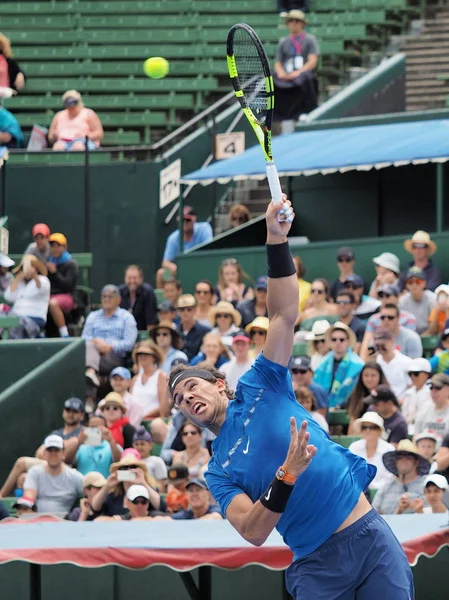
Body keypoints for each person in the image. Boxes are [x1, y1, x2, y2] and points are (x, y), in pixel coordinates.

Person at [168, 195, 414, 599]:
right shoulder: (218, 471)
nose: (186, 398)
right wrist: (286, 474)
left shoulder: (259, 382)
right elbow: (253, 530)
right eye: (178, 399)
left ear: (216, 383)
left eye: (191, 386)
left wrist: (276, 238)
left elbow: (282, 315)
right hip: (316, 565)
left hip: (370, 538)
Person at [0, 397, 85, 498]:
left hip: (68, 470)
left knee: (21, 462)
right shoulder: (56, 433)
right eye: (68, 410)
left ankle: (1, 496)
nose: (70, 414)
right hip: (48, 466)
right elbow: (39, 454)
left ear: (81, 415)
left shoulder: (83, 432)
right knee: (22, 478)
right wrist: (63, 447)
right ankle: (22, 508)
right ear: (63, 412)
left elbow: (67, 457)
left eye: (75, 411)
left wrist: (73, 444)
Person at [83, 284, 138, 387]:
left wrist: (109, 347)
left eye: (110, 296)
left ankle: (91, 373)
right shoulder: (93, 316)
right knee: (88, 354)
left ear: (119, 299)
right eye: (104, 296)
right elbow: (84, 338)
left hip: (114, 357)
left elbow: (130, 343)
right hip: (93, 353)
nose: (107, 299)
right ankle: (91, 374)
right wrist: (97, 343)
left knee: (84, 366)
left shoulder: (126, 317)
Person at [273, 10, 319, 119]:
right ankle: (273, 114)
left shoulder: (310, 40)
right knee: (270, 77)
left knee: (305, 76)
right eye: (290, 20)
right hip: (287, 74)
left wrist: (298, 72)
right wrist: (281, 73)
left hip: (302, 74)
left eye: (297, 20)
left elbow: (312, 61)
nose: (293, 23)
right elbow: (278, 63)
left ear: (302, 23)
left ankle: (305, 111)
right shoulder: (283, 42)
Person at [23, 435, 84, 514]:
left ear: (63, 454)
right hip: (36, 521)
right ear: (44, 453)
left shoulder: (74, 476)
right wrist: (25, 506)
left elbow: (89, 490)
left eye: (57, 450)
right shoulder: (34, 472)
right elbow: (29, 496)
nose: (53, 453)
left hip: (63, 523)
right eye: (50, 450)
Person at [91, 452, 164, 517]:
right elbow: (95, 507)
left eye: (133, 467)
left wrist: (143, 482)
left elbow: (161, 506)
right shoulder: (114, 495)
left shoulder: (147, 492)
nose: (129, 470)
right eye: (124, 468)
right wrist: (107, 486)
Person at [157, 206, 213, 288]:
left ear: (194, 219)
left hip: (201, 267)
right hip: (180, 271)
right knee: (161, 273)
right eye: (182, 220)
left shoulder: (204, 228)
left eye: (188, 220)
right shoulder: (173, 237)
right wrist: (174, 267)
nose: (185, 223)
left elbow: (209, 250)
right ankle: (163, 300)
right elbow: (165, 262)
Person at [359, 284, 417, 362]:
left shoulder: (409, 318)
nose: (384, 299)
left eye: (388, 295)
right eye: (381, 296)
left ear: (397, 297)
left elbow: (407, 340)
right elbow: (366, 343)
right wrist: (363, 362)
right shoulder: (373, 319)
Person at [313, 321, 364, 409]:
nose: (338, 342)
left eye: (342, 339)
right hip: (323, 408)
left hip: (349, 407)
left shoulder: (358, 364)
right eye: (334, 339)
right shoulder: (322, 364)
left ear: (348, 341)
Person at [372, 439, 430, 515]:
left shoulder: (428, 485)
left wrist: (420, 511)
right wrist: (398, 511)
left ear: (416, 462)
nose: (404, 460)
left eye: (409, 457)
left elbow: (437, 514)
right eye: (399, 457)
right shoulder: (385, 488)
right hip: (389, 526)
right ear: (395, 461)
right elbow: (374, 515)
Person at [3, 254, 50, 339]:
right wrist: (17, 278)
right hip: (15, 315)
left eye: (31, 266)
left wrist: (34, 275)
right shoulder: (19, 282)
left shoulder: (43, 280)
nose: (28, 269)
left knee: (19, 323)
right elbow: (8, 297)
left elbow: (40, 287)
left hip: (34, 317)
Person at [348, 412, 395, 490]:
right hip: (358, 492)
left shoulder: (389, 449)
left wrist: (372, 487)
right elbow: (350, 472)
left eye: (373, 427)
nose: (368, 430)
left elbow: (391, 477)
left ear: (380, 431)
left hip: (383, 491)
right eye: (364, 427)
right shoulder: (354, 447)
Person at [46, 232, 78, 338]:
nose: (55, 249)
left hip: (67, 296)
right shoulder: (49, 262)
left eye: (58, 246)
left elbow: (67, 286)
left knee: (53, 303)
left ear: (64, 247)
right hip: (49, 296)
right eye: (52, 246)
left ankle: (64, 333)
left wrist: (55, 272)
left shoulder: (71, 264)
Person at [74, 413, 121, 478]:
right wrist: (78, 443)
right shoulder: (81, 446)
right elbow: (68, 461)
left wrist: (111, 441)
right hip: (83, 486)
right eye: (93, 427)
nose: (96, 430)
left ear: (106, 428)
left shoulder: (112, 445)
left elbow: (119, 462)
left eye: (99, 427)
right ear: (87, 428)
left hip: (105, 486)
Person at [346, 361, 388, 434]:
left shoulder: (386, 395)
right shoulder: (356, 396)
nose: (369, 379)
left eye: (373, 375)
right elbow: (353, 421)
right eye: (366, 375)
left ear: (380, 376)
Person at [130, 341, 167, 419]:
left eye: (146, 354)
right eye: (140, 354)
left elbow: (164, 407)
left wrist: (144, 416)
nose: (142, 356)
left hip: (153, 421)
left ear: (154, 357)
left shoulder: (161, 376)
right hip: (135, 421)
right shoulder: (134, 379)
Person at [119, 265, 158, 332]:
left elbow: (151, 321)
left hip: (142, 332)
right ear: (125, 278)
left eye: (135, 278)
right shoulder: (119, 292)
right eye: (129, 278)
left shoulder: (148, 292)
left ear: (141, 278)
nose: (132, 281)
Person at [374, 329, 412, 399]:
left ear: (392, 341)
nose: (380, 349)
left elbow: (412, 388)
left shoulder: (406, 362)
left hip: (401, 403)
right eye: (377, 346)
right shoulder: (375, 362)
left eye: (383, 345)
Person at [414, 373, 449, 448]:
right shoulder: (424, 410)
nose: (433, 391)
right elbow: (415, 438)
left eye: (437, 387)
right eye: (431, 387)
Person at [398, 267, 436, 334]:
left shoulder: (432, 298)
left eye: (418, 281)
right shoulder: (402, 301)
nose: (414, 285)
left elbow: (435, 324)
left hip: (430, 335)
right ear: (406, 285)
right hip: (409, 334)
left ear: (424, 283)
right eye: (410, 282)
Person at [401, 358, 432, 434]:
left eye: (416, 373)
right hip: (406, 429)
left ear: (426, 375)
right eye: (410, 374)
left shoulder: (431, 393)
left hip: (423, 431)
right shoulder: (409, 393)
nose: (413, 377)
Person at [132, 427, 167, 491]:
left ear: (150, 445)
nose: (139, 447)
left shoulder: (157, 461)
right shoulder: (130, 462)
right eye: (136, 444)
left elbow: (161, 485)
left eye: (142, 444)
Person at [177, 294, 211, 361]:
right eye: (182, 309)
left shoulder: (205, 331)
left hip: (198, 368)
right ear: (178, 311)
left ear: (195, 310)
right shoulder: (174, 332)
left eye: (189, 309)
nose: (185, 312)